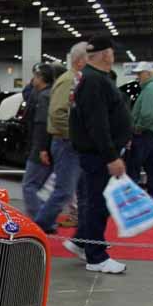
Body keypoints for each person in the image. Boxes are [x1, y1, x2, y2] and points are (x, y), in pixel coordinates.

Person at [69, 35, 132, 274]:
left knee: (95, 202)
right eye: (113, 53)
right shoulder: (94, 81)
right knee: (97, 204)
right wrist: (111, 156)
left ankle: (84, 243)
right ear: (107, 54)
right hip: (98, 155)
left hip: (96, 154)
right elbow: (98, 124)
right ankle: (96, 257)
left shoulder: (92, 79)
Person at [39, 41, 90, 242]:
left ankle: (83, 236)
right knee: (64, 191)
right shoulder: (68, 81)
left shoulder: (76, 80)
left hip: (72, 144)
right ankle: (38, 226)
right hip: (67, 143)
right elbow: (57, 113)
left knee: (82, 192)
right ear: (80, 61)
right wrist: (76, 134)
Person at [20, 64, 56, 220]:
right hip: (49, 146)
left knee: (29, 186)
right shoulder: (50, 94)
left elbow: (41, 124)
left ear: (40, 78)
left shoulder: (43, 97)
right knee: (41, 187)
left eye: (35, 76)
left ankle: (39, 221)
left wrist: (41, 148)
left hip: (40, 148)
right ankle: (46, 219)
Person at [127, 62, 153, 203]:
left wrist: (137, 128)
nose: (138, 77)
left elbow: (146, 114)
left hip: (143, 133)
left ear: (149, 74)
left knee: (133, 167)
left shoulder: (149, 89)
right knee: (152, 167)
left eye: (140, 73)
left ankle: (132, 200)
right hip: (152, 133)